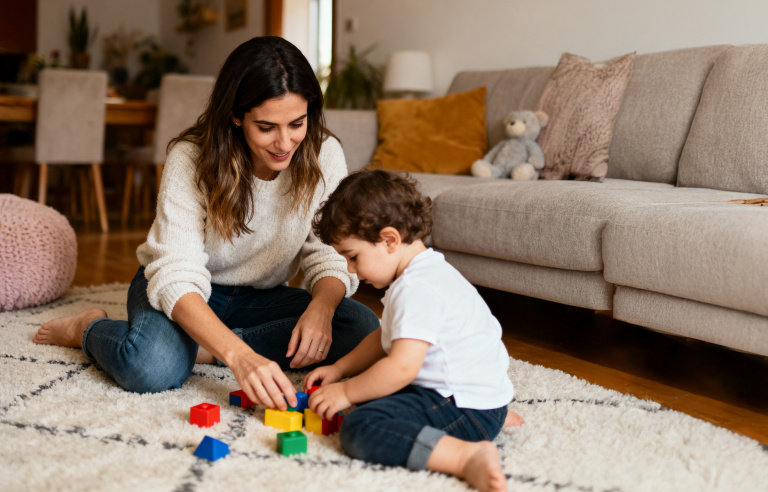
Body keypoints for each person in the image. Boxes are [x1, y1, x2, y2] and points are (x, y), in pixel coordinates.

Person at [33, 36, 379, 411]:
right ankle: (87, 328)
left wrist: (321, 309)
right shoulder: (190, 158)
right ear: (235, 115)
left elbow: (328, 252)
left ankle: (197, 350)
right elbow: (175, 274)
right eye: (266, 127)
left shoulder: (323, 153)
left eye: (297, 123)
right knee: (150, 367)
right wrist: (240, 358)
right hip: (184, 291)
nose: (285, 142)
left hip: (259, 298)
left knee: (362, 330)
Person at [304, 169, 524, 492]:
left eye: (353, 257)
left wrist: (346, 392)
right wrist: (340, 369)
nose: (350, 269)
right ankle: (490, 414)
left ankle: (464, 456)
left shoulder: (416, 289)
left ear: (390, 239)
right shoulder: (426, 272)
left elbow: (403, 367)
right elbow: (383, 339)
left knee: (361, 424)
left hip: (464, 407)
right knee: (376, 387)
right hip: (480, 398)